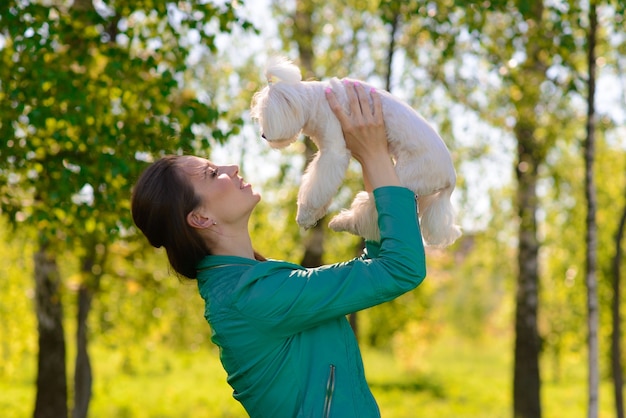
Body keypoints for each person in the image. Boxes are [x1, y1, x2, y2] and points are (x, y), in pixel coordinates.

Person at [131, 81, 427, 418]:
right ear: (200, 217)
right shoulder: (254, 296)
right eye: (213, 174)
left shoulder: (251, 285)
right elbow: (401, 267)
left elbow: (379, 266)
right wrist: (373, 153)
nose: (231, 168)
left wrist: (373, 157)